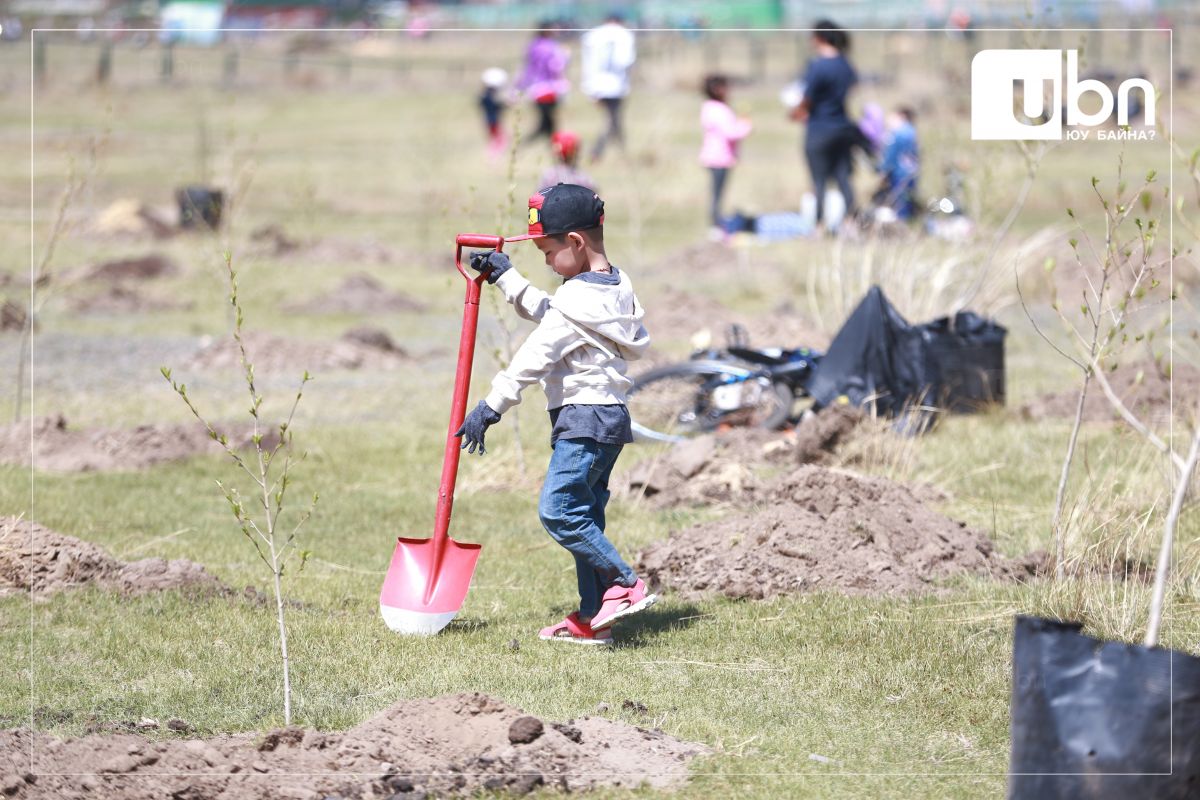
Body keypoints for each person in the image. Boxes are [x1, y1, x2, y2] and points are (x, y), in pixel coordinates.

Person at [455, 183, 656, 646]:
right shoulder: (612, 287)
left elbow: (536, 354)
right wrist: (506, 278)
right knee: (586, 515)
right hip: (608, 419)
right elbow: (554, 315)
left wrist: (490, 407)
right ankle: (592, 617)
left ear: (576, 243)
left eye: (548, 252)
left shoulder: (575, 302)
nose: (546, 261)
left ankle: (624, 585)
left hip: (584, 419)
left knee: (560, 511)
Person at [791, 20, 861, 231]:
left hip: (819, 128)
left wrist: (797, 112)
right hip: (842, 127)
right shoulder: (845, 65)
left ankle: (819, 225)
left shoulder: (818, 66)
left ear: (820, 38)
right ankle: (851, 222)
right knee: (842, 177)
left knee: (818, 179)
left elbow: (806, 98)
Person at [699, 74, 753, 234]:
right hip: (718, 158)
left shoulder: (711, 107)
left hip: (719, 157)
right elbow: (730, 132)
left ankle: (717, 222)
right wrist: (746, 126)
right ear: (716, 89)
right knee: (717, 193)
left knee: (718, 192)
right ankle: (715, 225)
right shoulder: (718, 109)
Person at [580, 13, 636, 162]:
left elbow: (587, 62)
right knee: (611, 120)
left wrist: (588, 87)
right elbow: (627, 61)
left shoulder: (593, 36)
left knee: (614, 120)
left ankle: (622, 152)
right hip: (616, 85)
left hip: (597, 85)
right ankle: (598, 151)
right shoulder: (624, 35)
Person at [516, 24, 570, 145]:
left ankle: (556, 151)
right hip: (549, 89)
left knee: (547, 125)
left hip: (535, 90)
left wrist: (519, 87)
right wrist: (566, 58)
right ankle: (557, 151)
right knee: (547, 125)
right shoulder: (552, 48)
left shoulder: (532, 46)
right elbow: (556, 67)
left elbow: (527, 69)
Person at [874, 106, 920, 220]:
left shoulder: (897, 134)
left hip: (899, 172)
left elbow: (891, 155)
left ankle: (901, 222)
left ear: (902, 117)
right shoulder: (912, 132)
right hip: (912, 171)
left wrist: (882, 169)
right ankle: (909, 219)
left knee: (899, 201)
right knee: (908, 198)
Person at [479, 67, 508, 158]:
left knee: (497, 139)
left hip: (490, 121)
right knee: (499, 140)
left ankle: (494, 155)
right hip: (493, 121)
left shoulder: (484, 96)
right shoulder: (488, 97)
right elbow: (497, 107)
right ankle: (493, 156)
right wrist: (506, 105)